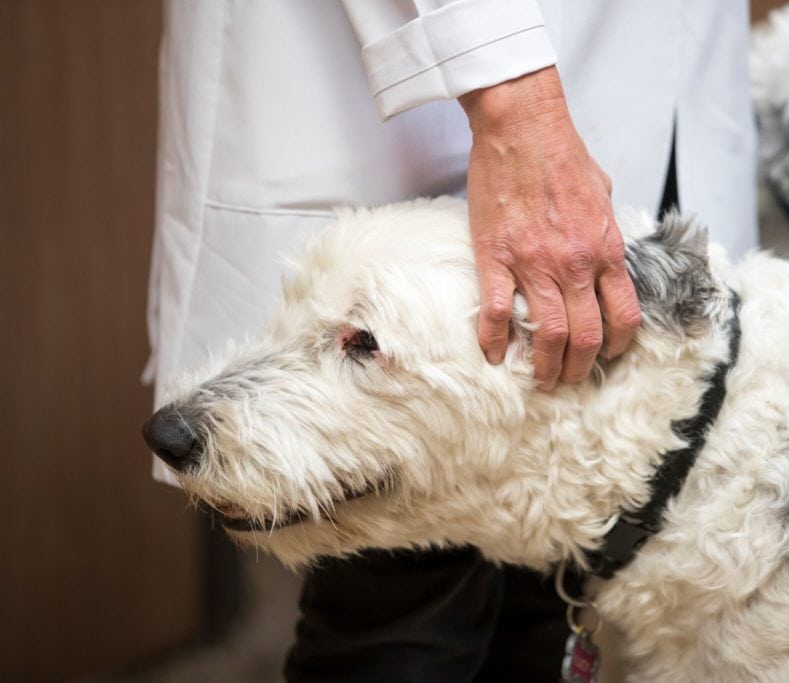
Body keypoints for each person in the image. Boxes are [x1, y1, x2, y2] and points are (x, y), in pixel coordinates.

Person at [147, 1, 757, 680]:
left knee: (545, 585)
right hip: (453, 90)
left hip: (640, 97)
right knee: (402, 616)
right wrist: (514, 104)